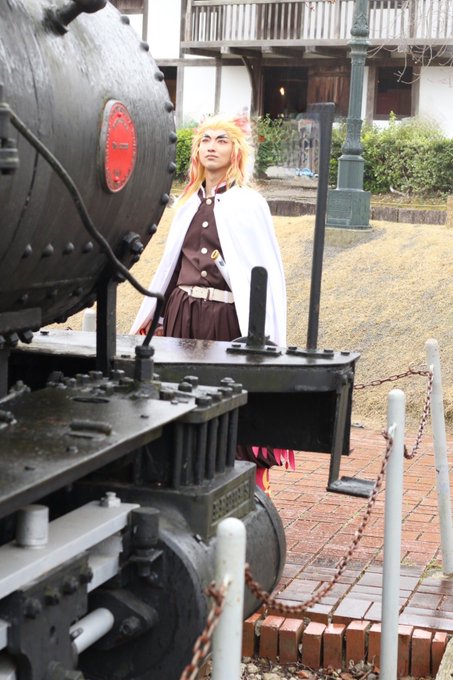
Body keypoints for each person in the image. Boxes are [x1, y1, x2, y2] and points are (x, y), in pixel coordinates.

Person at [130, 114, 293, 492]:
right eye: (205, 140)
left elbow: (260, 272)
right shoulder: (186, 203)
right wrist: (157, 317)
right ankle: (179, 477)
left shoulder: (249, 204)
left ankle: (234, 483)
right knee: (178, 396)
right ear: (196, 151)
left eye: (222, 140)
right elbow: (171, 267)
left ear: (236, 151)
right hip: (182, 314)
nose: (212, 146)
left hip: (226, 318)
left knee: (225, 399)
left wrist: (257, 329)